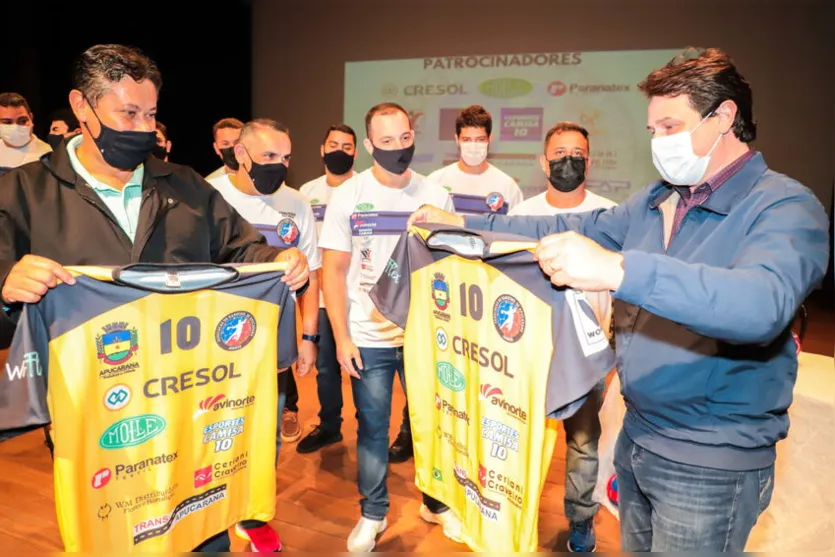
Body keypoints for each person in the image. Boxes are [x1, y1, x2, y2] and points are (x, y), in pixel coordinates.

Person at [408, 47, 830, 552]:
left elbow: (760, 305)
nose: (659, 143)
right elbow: (567, 225)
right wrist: (465, 224)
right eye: (653, 131)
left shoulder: (784, 205)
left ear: (724, 117)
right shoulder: (658, 200)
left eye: (670, 126)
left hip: (710, 462)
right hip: (638, 438)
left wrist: (617, 269)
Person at [0, 43, 309, 553]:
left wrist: (278, 261)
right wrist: (7, 287)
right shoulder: (24, 193)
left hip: (195, 401)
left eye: (151, 114)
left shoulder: (185, 186)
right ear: (82, 107)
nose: (143, 128)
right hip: (95, 418)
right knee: (116, 536)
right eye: (128, 113)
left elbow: (243, 249)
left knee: (206, 529)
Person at [319, 102, 463, 552]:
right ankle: (373, 512)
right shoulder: (348, 195)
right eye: (386, 142)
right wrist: (341, 337)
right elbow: (333, 271)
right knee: (373, 427)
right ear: (368, 145)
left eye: (405, 139)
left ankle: (434, 503)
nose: (398, 148)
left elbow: (457, 260)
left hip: (424, 336)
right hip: (368, 334)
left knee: (431, 425)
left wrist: (451, 223)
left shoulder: (435, 193)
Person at [209, 118, 320, 552]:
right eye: (270, 156)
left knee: (267, 431)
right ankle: (211, 511)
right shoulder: (207, 196)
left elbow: (311, 274)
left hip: (272, 342)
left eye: (286, 157)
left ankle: (254, 515)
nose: (280, 165)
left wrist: (308, 338)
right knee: (215, 428)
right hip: (213, 346)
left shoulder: (297, 203)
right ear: (241, 153)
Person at [509, 121, 616, 552]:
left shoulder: (609, 216)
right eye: (558, 153)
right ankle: (515, 514)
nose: (567, 160)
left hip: (587, 351)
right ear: (543, 161)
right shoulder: (522, 216)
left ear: (589, 161)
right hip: (527, 350)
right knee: (517, 437)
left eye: (576, 153)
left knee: (584, 444)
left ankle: (580, 521)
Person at [296, 124, 357, 454]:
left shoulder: (364, 187)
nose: (340, 152)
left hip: (358, 295)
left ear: (356, 153)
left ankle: (368, 427)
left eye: (347, 147)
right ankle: (330, 425)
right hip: (320, 294)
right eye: (334, 145)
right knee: (326, 367)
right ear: (322, 149)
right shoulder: (308, 191)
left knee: (362, 365)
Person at [426, 105, 523, 215]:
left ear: (489, 139)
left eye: (480, 139)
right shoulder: (436, 182)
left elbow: (516, 229)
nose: (473, 146)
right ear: (457, 140)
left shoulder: (508, 187)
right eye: (466, 140)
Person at [0, 92, 51, 174]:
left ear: (31, 118)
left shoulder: (47, 156)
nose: (15, 127)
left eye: (22, 121)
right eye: (7, 122)